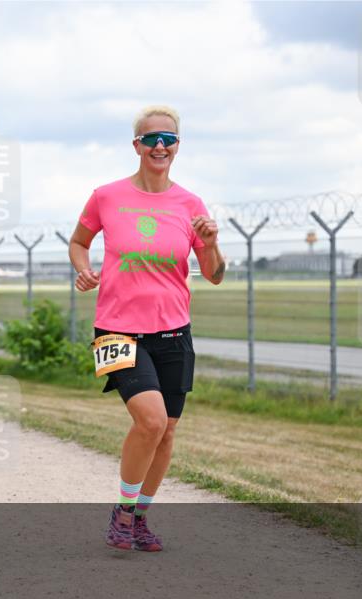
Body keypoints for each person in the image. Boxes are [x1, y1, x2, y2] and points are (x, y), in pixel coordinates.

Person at [68, 105, 225, 552]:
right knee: (150, 419)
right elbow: (79, 241)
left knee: (168, 429)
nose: (160, 146)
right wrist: (84, 268)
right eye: (151, 138)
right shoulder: (106, 196)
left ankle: (138, 519)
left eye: (168, 139)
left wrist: (210, 246)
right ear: (136, 145)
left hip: (174, 331)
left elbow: (214, 274)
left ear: (177, 147)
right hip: (115, 331)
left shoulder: (190, 204)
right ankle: (122, 511)